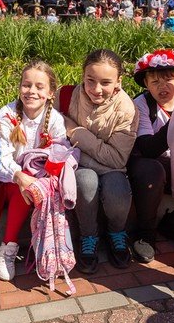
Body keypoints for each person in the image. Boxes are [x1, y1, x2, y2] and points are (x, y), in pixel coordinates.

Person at [57, 49, 138, 273]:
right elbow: (52, 137)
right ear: (83, 75)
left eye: (105, 82)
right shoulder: (64, 96)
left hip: (113, 169)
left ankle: (116, 233)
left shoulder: (126, 108)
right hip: (77, 167)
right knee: (85, 182)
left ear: (118, 81)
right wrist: (99, 152)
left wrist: (75, 131)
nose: (96, 89)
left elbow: (118, 158)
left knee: (117, 189)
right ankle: (88, 236)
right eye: (90, 80)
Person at [0, 61, 68, 280]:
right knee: (22, 191)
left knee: (54, 193)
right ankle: (8, 246)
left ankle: (49, 249)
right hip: (11, 180)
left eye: (39, 87)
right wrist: (20, 176)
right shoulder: (7, 115)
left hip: (41, 179)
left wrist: (42, 180)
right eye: (26, 85)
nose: (31, 91)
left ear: (50, 92)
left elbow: (59, 154)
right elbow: (2, 156)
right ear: (20, 87)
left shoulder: (54, 119)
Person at [127, 50, 174, 260]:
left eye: (168, 79)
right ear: (146, 84)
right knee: (151, 169)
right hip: (153, 166)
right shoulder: (142, 104)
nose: (162, 86)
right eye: (155, 81)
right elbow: (147, 148)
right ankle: (146, 233)